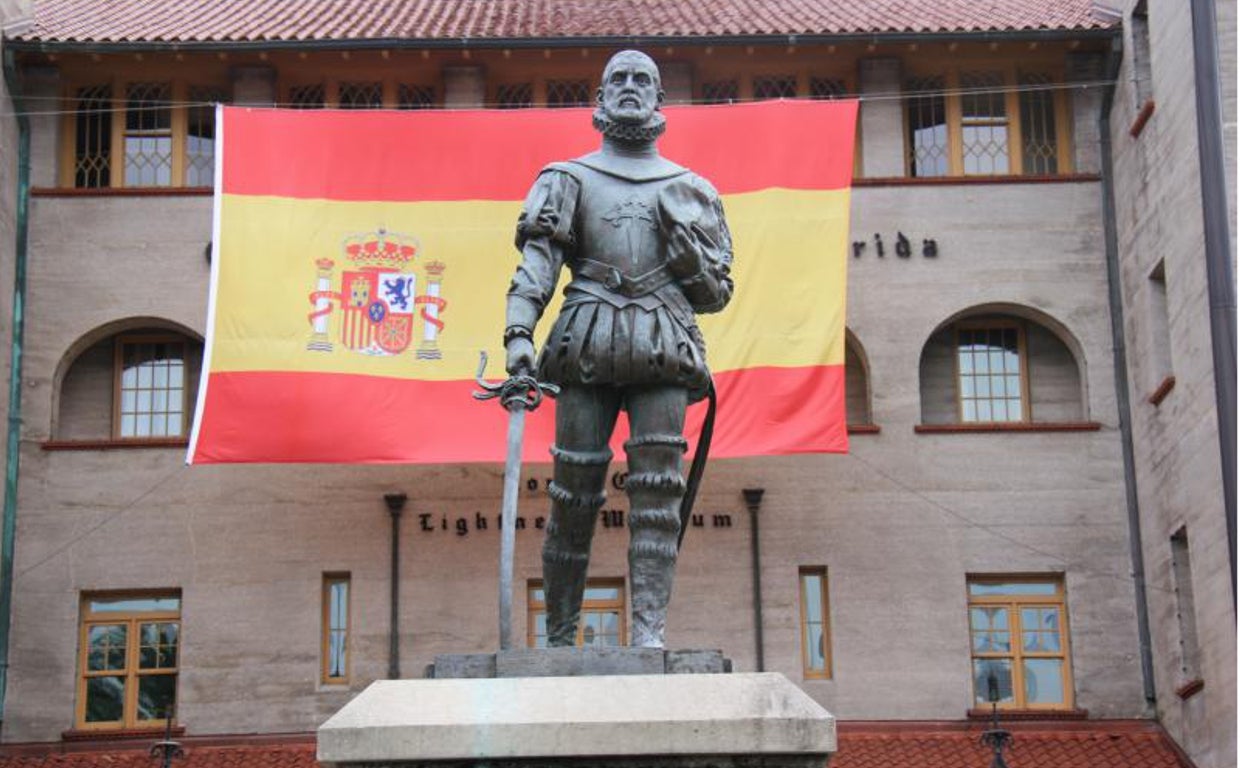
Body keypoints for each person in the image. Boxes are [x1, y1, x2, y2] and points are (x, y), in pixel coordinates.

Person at [504, 50, 734, 648]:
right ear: (599, 99)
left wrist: (691, 266)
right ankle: (558, 637)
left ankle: (650, 633)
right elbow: (538, 265)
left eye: (642, 80)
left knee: (658, 494)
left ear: (659, 99)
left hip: (664, 337)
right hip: (586, 337)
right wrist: (519, 333)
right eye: (619, 80)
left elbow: (716, 294)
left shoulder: (693, 190)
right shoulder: (568, 178)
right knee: (573, 493)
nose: (630, 88)